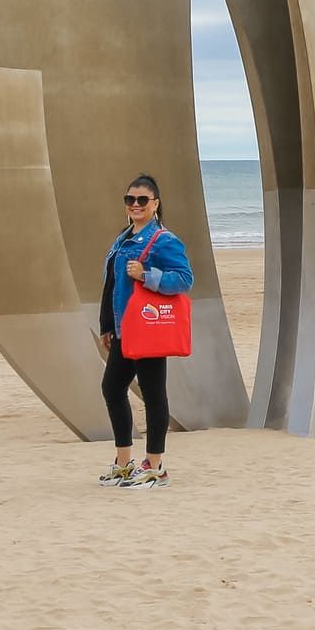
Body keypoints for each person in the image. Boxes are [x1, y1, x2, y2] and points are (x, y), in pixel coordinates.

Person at [97, 173, 192, 489]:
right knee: (112, 388)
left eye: (142, 200)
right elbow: (111, 285)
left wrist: (147, 275)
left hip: (147, 328)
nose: (135, 205)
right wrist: (107, 326)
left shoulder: (164, 240)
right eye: (130, 199)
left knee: (153, 395)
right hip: (125, 329)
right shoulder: (124, 237)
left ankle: (155, 465)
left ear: (155, 204)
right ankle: (124, 463)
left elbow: (184, 279)